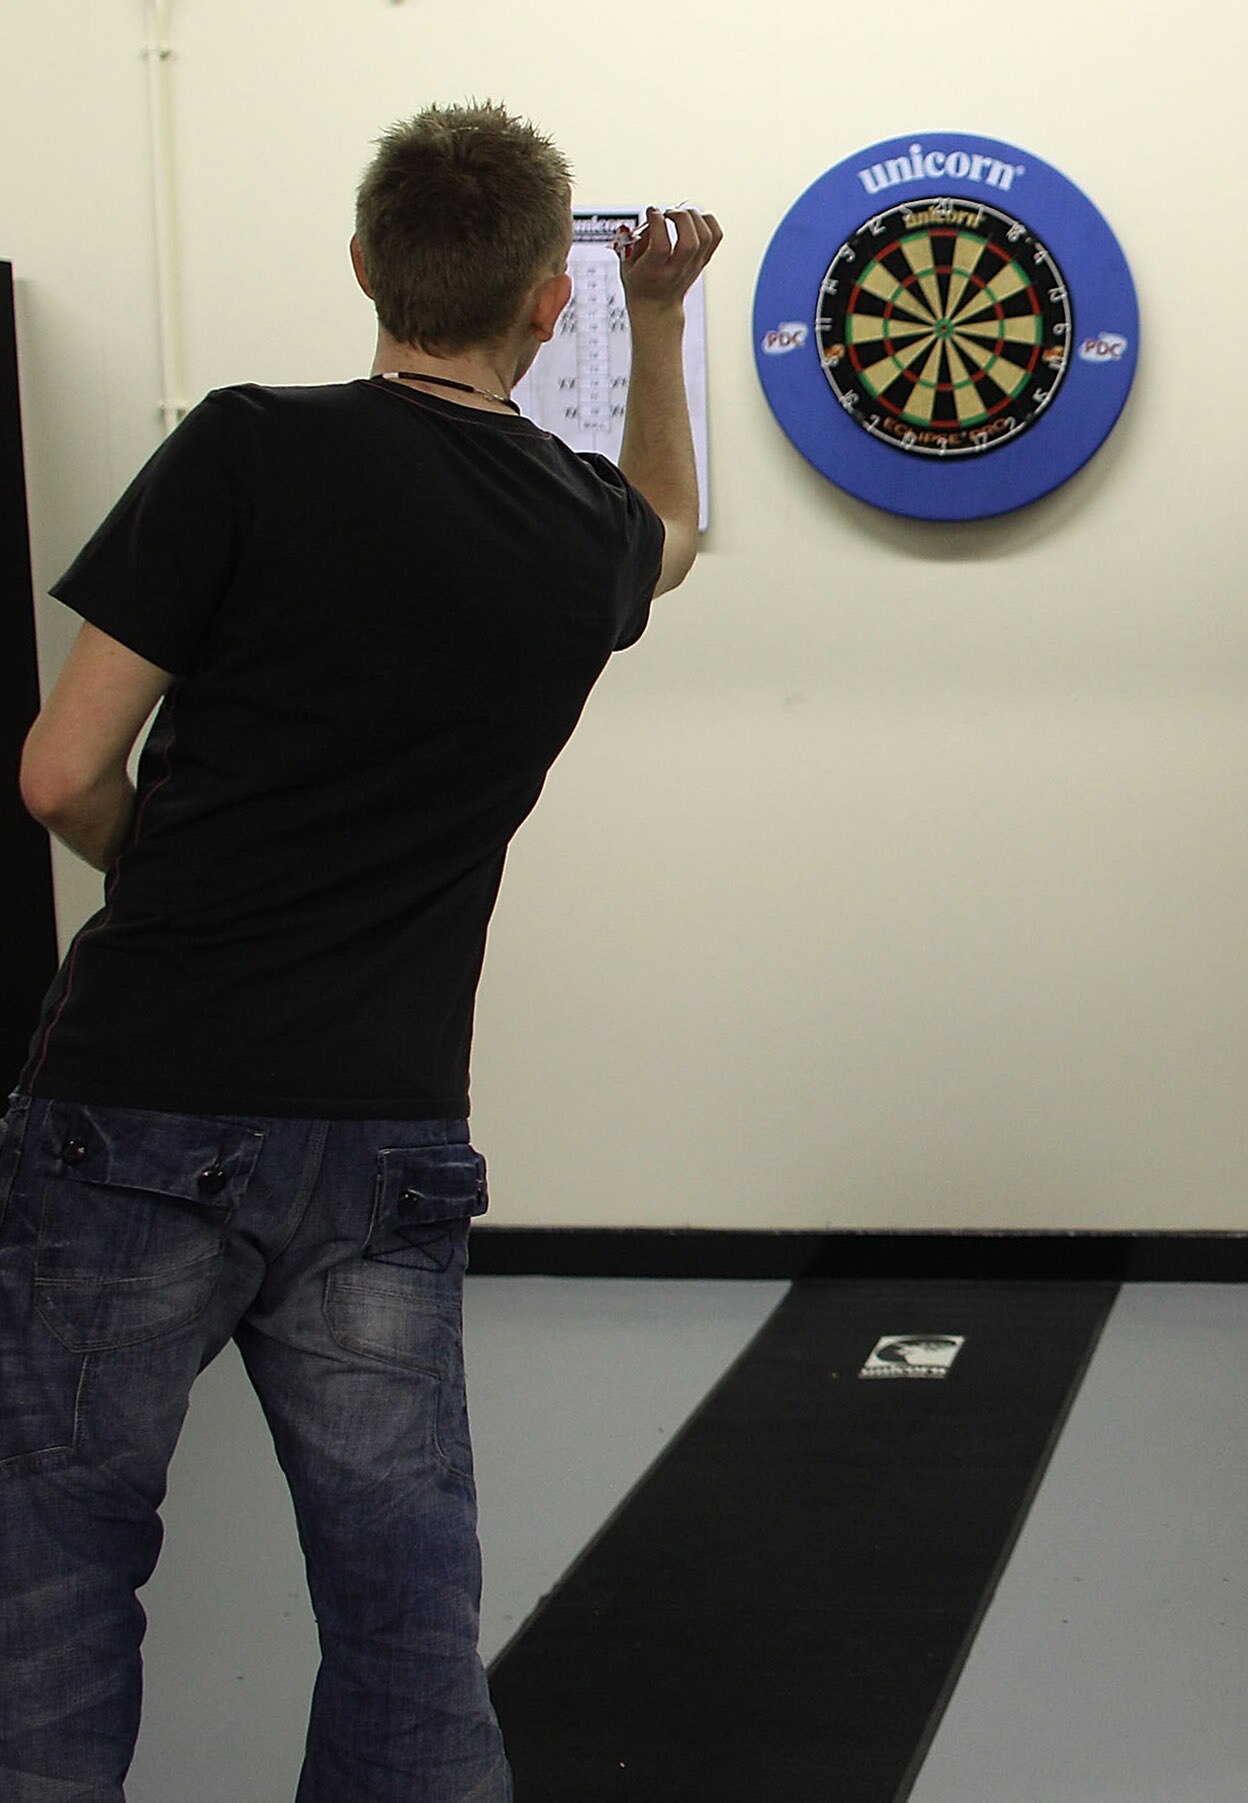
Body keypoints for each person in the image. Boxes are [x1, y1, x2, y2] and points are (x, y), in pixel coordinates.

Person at [0, 102, 716, 1800]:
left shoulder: (247, 445)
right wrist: (669, 323)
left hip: (137, 1109)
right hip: (384, 1132)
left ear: (361, 267)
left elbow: (55, 772)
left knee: (57, 1562)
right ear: (553, 306)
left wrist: (172, 881)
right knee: (404, 1593)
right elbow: (673, 532)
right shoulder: (574, 530)